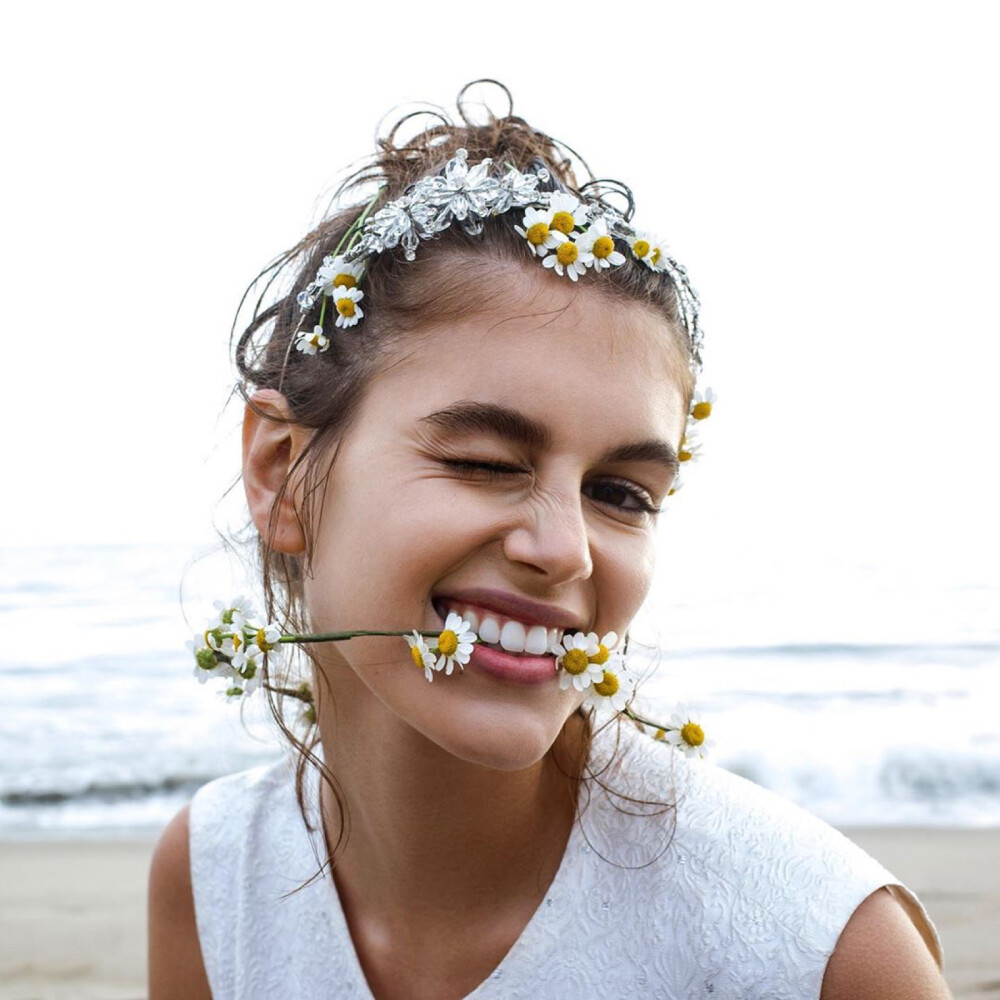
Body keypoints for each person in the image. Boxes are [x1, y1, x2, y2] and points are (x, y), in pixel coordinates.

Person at [148, 82, 951, 999]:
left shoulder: (826, 956)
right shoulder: (212, 881)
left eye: (620, 492)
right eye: (488, 462)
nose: (565, 550)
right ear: (283, 473)